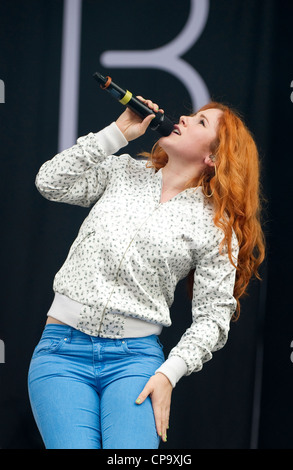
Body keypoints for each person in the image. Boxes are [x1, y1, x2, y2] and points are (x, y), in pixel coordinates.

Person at [27, 97, 266, 449]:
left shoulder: (216, 225)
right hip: (61, 352)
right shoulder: (122, 172)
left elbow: (213, 317)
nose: (184, 117)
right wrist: (118, 132)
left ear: (213, 158)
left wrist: (169, 374)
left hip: (134, 362)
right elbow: (50, 182)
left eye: (200, 122)